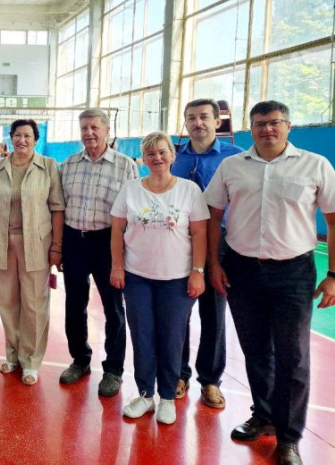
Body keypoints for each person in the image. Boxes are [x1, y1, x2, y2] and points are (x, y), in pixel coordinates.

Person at [205, 101, 335, 465]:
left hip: (294, 273)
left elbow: (334, 220)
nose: (267, 129)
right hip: (242, 270)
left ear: (288, 126)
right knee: (256, 350)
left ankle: (289, 437)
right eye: (260, 124)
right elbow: (213, 215)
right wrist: (214, 263)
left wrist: (333, 276)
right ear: (251, 128)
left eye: (275, 122)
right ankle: (263, 415)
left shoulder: (315, 165)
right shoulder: (232, 166)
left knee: (294, 357)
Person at [110, 131, 209, 425]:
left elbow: (200, 233)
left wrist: (198, 272)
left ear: (172, 156)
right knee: (142, 336)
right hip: (137, 277)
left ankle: (167, 397)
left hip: (177, 279)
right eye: (151, 154)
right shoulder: (130, 189)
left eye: (163, 152)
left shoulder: (189, 190)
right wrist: (117, 266)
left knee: (171, 337)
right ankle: (145, 395)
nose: (157, 158)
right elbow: (117, 230)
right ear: (143, 159)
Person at [59, 108, 138, 396]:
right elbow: (59, 207)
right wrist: (58, 246)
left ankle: (113, 370)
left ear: (106, 130)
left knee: (113, 308)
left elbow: (132, 212)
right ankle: (80, 360)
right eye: (84, 128)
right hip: (74, 241)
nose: (89, 133)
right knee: (74, 305)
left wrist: (123, 255)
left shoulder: (125, 166)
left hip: (108, 242)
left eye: (94, 127)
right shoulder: (68, 165)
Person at [170, 99, 243, 408]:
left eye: (203, 117)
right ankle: (179, 374)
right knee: (178, 312)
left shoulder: (236, 157)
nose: (197, 122)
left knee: (213, 313)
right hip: (179, 242)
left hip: (220, 243)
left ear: (217, 122)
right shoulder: (174, 157)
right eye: (191, 118)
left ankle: (210, 380)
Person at [0, 119, 64, 385]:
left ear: (35, 140)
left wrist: (56, 246)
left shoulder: (48, 166)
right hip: (3, 243)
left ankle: (31, 361)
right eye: (17, 135)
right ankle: (13, 355)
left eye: (28, 136)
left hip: (37, 244)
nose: (22, 140)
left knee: (34, 303)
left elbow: (57, 208)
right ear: (11, 137)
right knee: (7, 301)